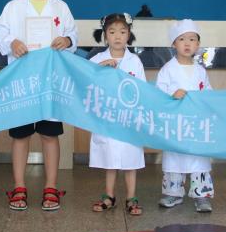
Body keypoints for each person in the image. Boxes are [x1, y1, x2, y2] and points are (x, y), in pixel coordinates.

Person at [0, 0, 78, 211]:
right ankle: (19, 187)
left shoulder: (61, 7)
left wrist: (67, 40)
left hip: (50, 82)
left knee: (50, 135)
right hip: (23, 81)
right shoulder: (13, 7)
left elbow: (73, 35)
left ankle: (51, 187)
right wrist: (12, 42)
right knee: (20, 136)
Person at [89, 13, 146, 216]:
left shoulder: (135, 61)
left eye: (122, 32)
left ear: (129, 35)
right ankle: (109, 196)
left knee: (131, 161)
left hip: (129, 119)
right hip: (107, 119)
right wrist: (100, 69)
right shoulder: (97, 59)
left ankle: (131, 197)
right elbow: (87, 81)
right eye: (112, 32)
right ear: (105, 35)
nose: (117, 36)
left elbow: (142, 90)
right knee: (110, 160)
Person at [156, 19, 214, 213]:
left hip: (196, 124)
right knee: (174, 157)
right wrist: (172, 96)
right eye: (182, 39)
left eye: (192, 39)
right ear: (174, 43)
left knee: (199, 158)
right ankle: (173, 193)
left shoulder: (200, 71)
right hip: (176, 124)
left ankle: (202, 194)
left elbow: (208, 94)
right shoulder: (167, 70)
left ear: (198, 44)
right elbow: (158, 95)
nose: (187, 43)